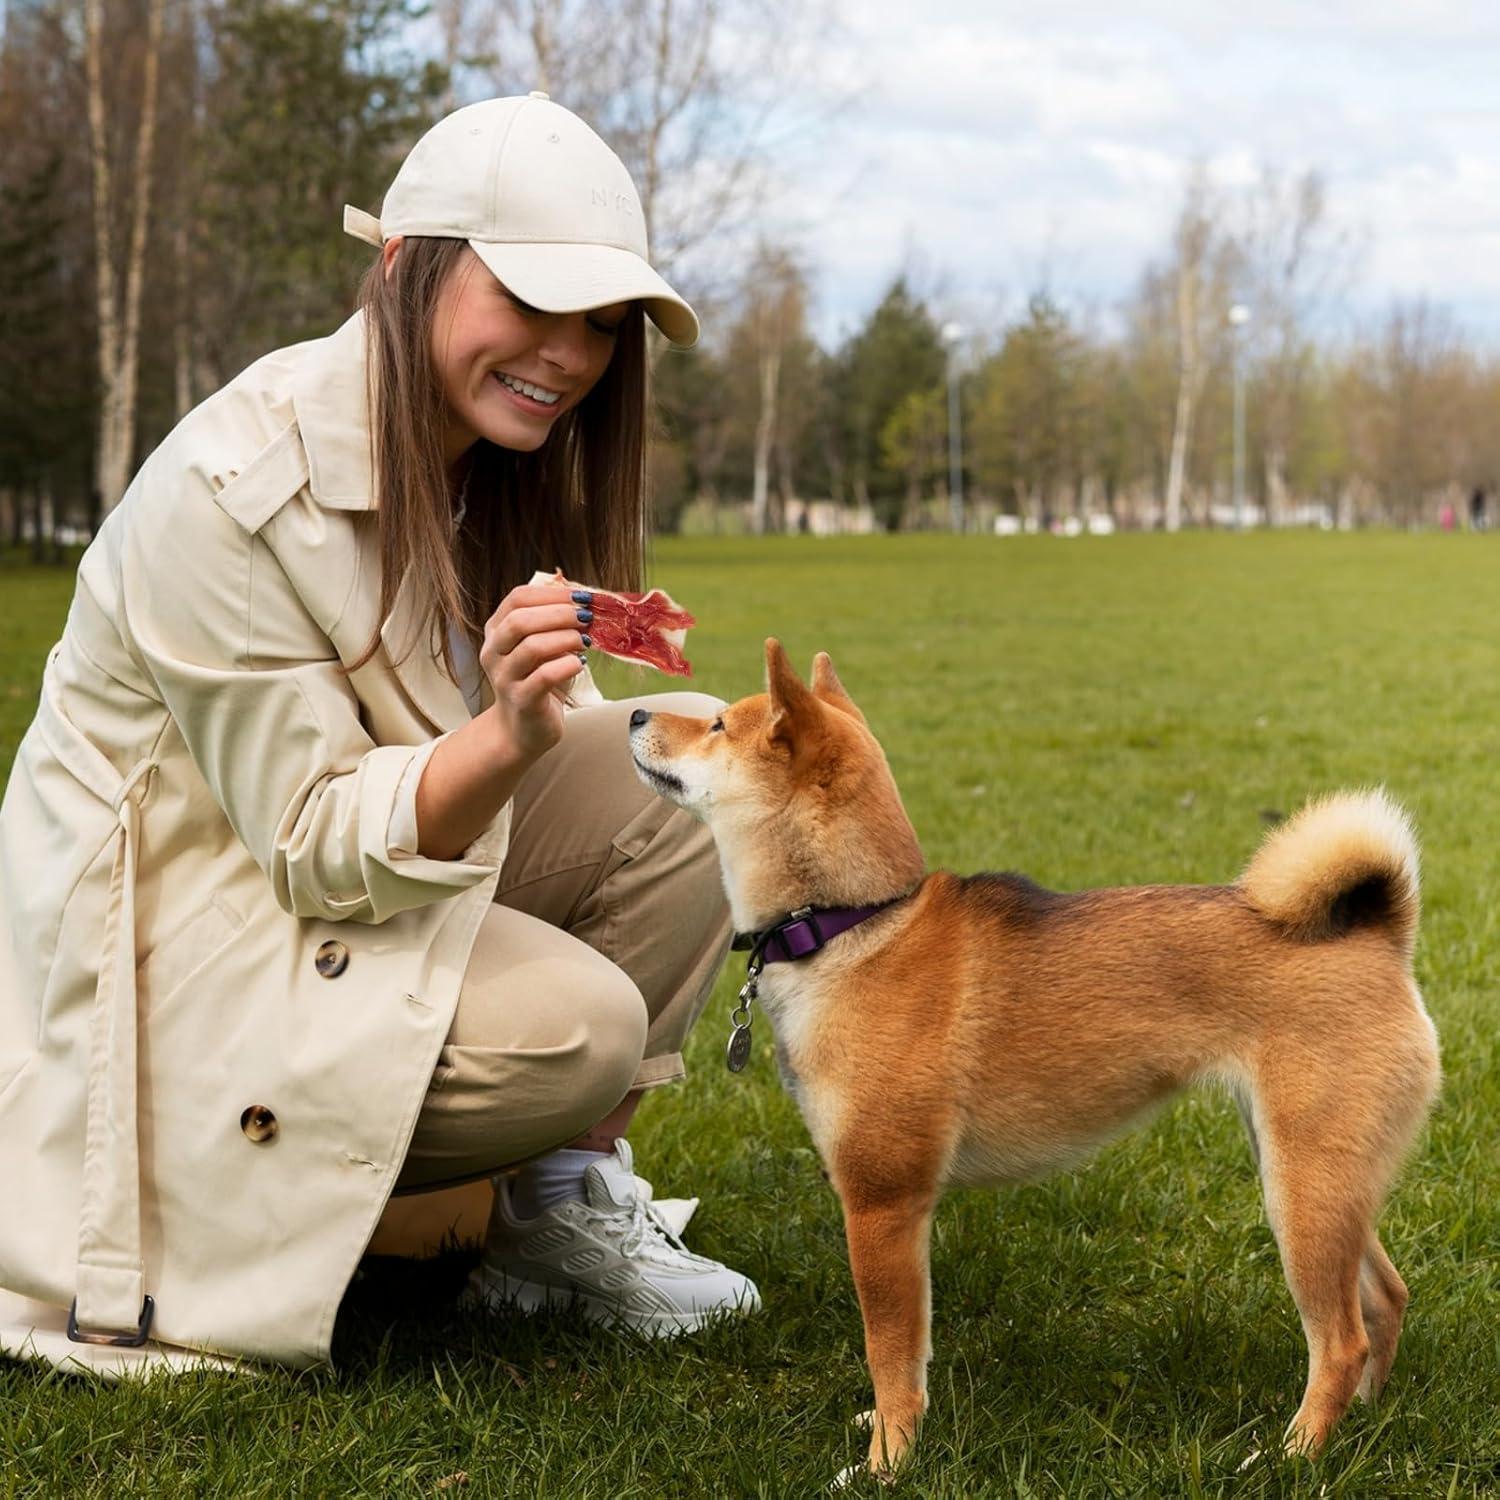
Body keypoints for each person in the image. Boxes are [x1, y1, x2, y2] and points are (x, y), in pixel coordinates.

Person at [0, 93, 758, 1373]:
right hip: (181, 949)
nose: (570, 355)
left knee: (695, 759)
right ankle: (263, 1200)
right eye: (531, 302)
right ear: (408, 266)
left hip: (315, 884)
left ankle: (549, 1214)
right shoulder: (238, 488)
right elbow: (307, 840)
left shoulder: (479, 458)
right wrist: (510, 734)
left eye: (600, 322)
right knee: (578, 1026)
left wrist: (521, 725)